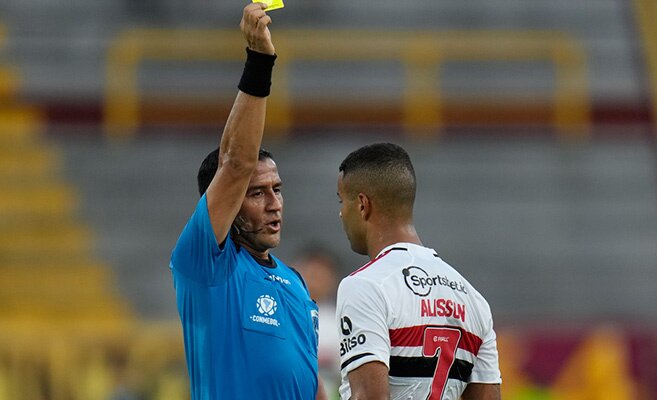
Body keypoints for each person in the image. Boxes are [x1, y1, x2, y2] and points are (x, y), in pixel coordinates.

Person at [169, 4, 325, 399]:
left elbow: (309, 381)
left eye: (277, 189)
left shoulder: (294, 282)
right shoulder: (205, 263)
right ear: (224, 204)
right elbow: (236, 164)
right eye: (257, 193)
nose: (275, 203)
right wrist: (260, 62)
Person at [335, 143, 502, 400]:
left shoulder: (364, 285)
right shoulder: (473, 298)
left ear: (362, 205)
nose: (340, 213)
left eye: (341, 201)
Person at [293, 245, 342, 398]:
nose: (315, 281)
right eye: (312, 274)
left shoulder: (338, 321)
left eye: (322, 276)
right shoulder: (285, 316)